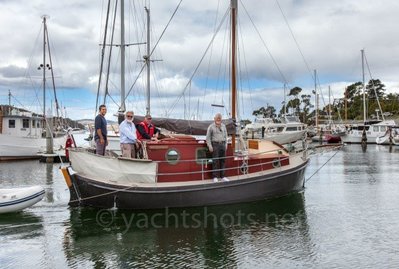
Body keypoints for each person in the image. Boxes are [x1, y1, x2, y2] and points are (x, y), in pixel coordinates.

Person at [206, 113, 229, 183]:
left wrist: (226, 144)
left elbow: (226, 136)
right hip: (215, 145)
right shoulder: (211, 127)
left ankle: (223, 176)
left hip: (222, 144)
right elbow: (208, 138)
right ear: (214, 119)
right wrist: (210, 146)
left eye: (220, 118)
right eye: (217, 118)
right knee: (215, 161)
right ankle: (215, 177)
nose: (218, 119)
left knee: (223, 161)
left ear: (221, 119)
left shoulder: (223, 126)